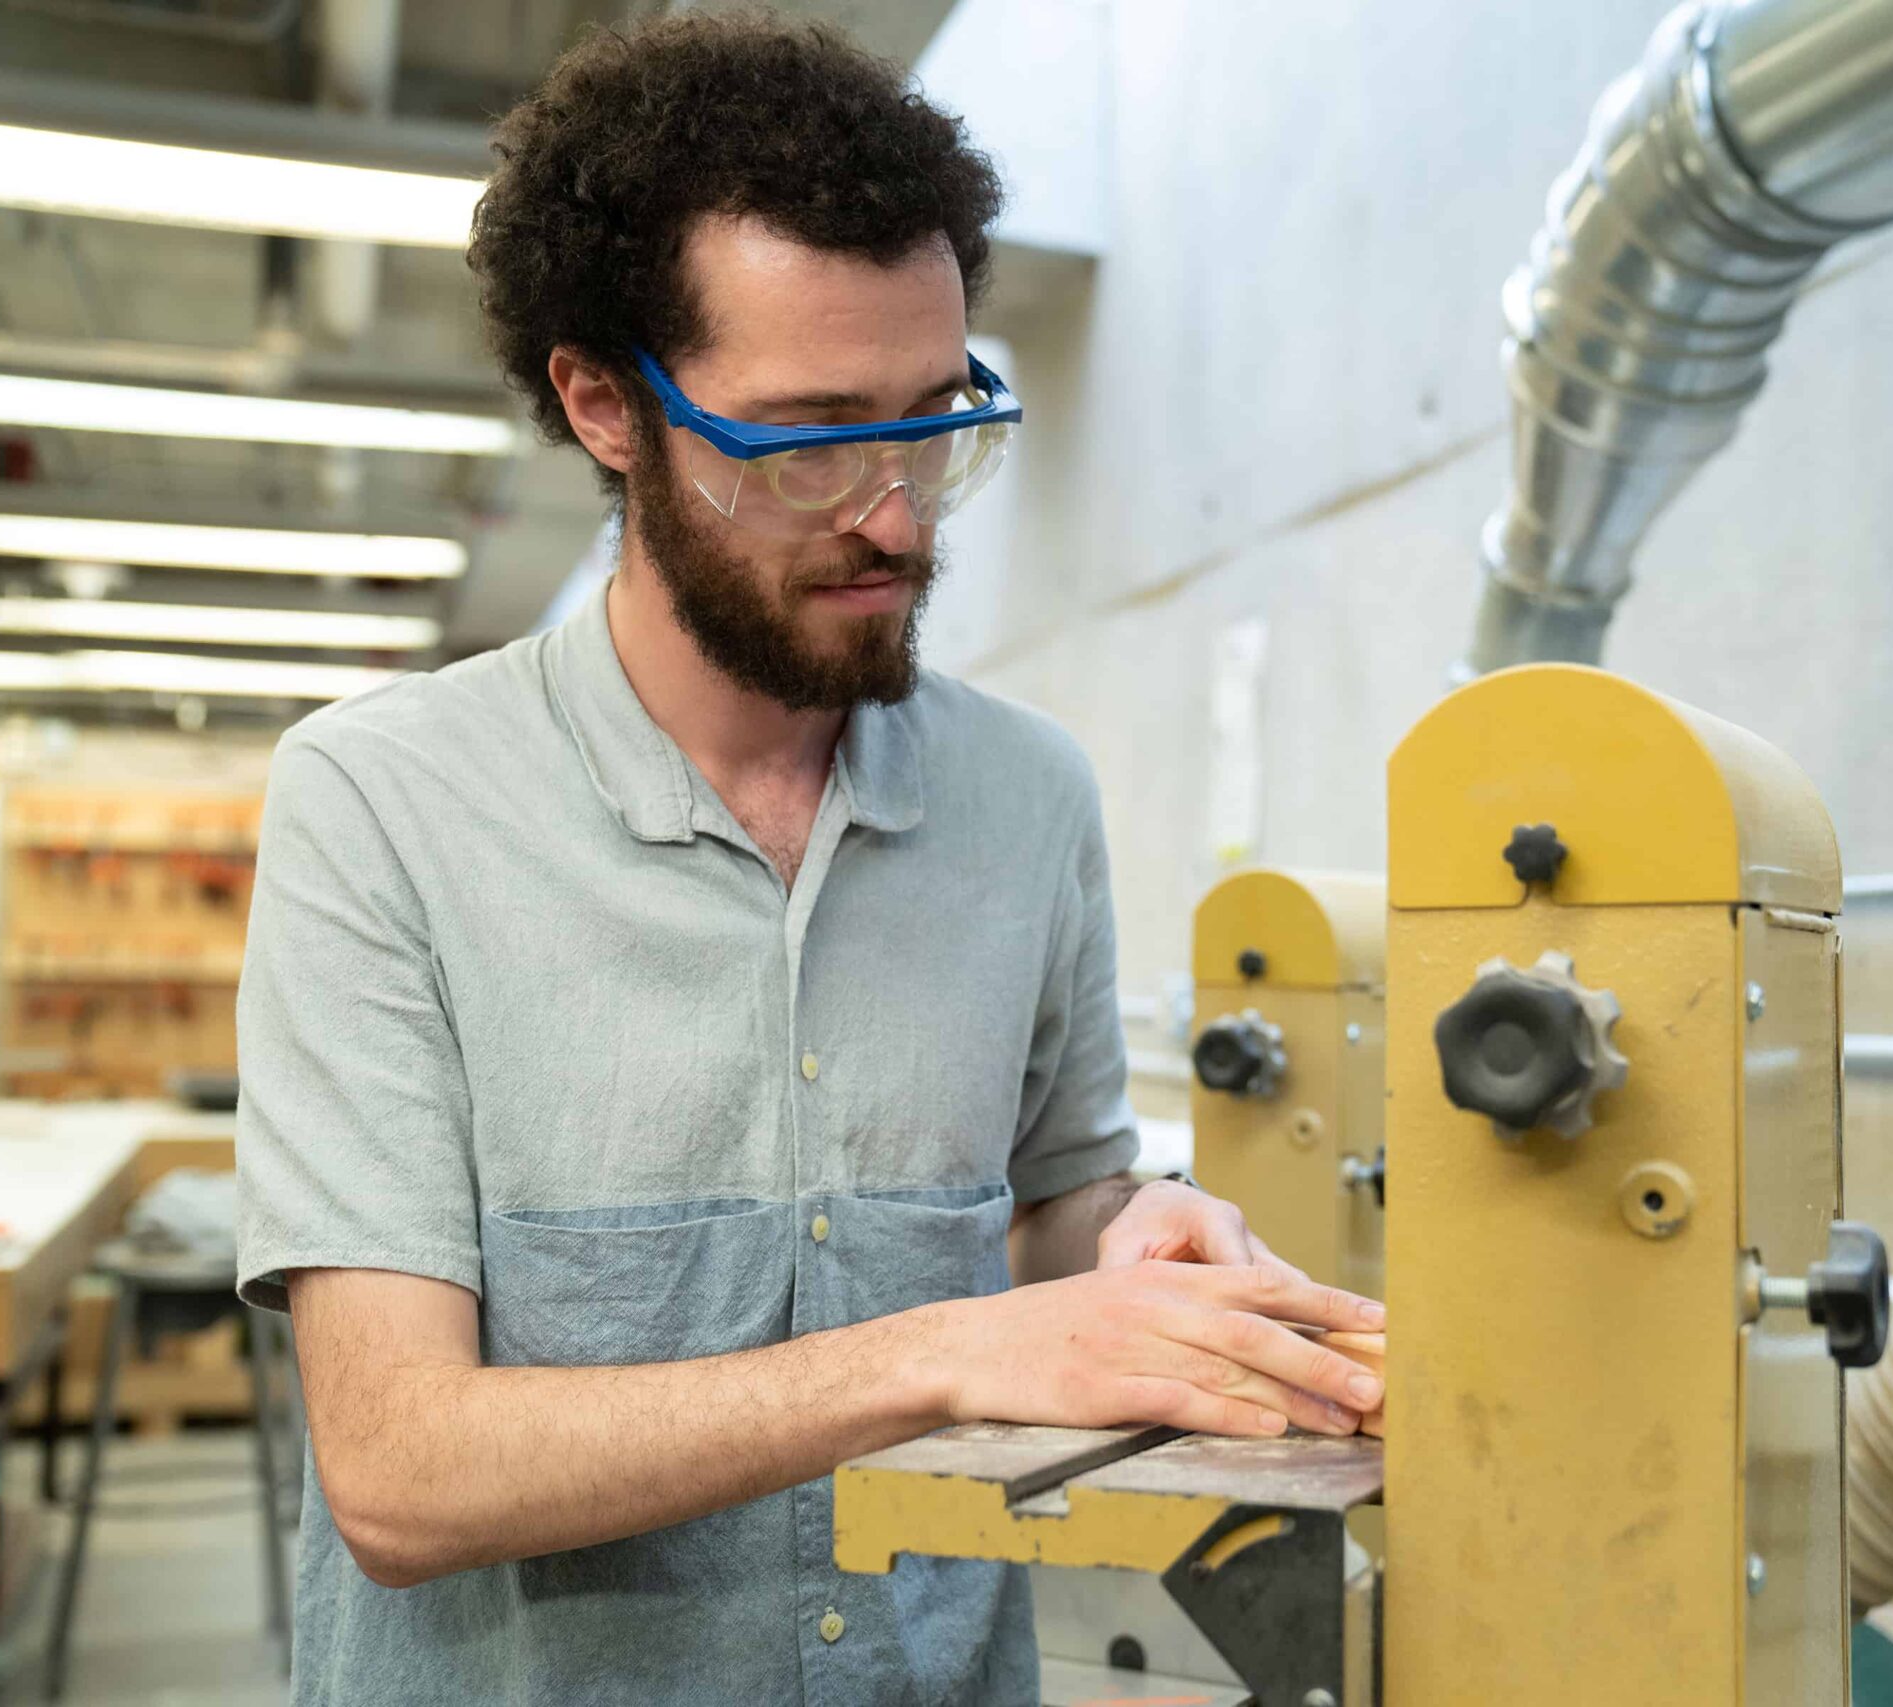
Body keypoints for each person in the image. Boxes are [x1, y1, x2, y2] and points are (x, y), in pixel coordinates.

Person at [234, 16, 1382, 1703]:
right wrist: (953, 1352)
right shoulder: (384, 806)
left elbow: (1055, 1204)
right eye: (813, 438)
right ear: (605, 404)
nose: (899, 517)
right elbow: (402, 1474)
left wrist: (1142, 1232)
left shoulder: (1025, 798)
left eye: (935, 423)